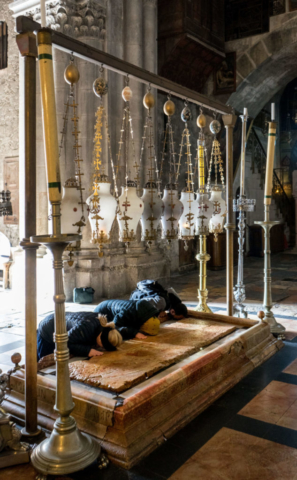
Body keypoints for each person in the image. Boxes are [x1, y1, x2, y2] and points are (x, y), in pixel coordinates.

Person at [37, 311, 123, 361]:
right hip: (48, 329)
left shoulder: (106, 326)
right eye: (103, 347)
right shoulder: (84, 329)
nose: (102, 349)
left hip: (62, 320)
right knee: (44, 361)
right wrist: (87, 351)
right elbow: (63, 342)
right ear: (100, 339)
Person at [94, 299, 161, 340]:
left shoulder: (149, 311)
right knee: (113, 337)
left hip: (109, 307)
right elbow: (115, 326)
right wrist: (134, 333)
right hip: (101, 314)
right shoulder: (127, 312)